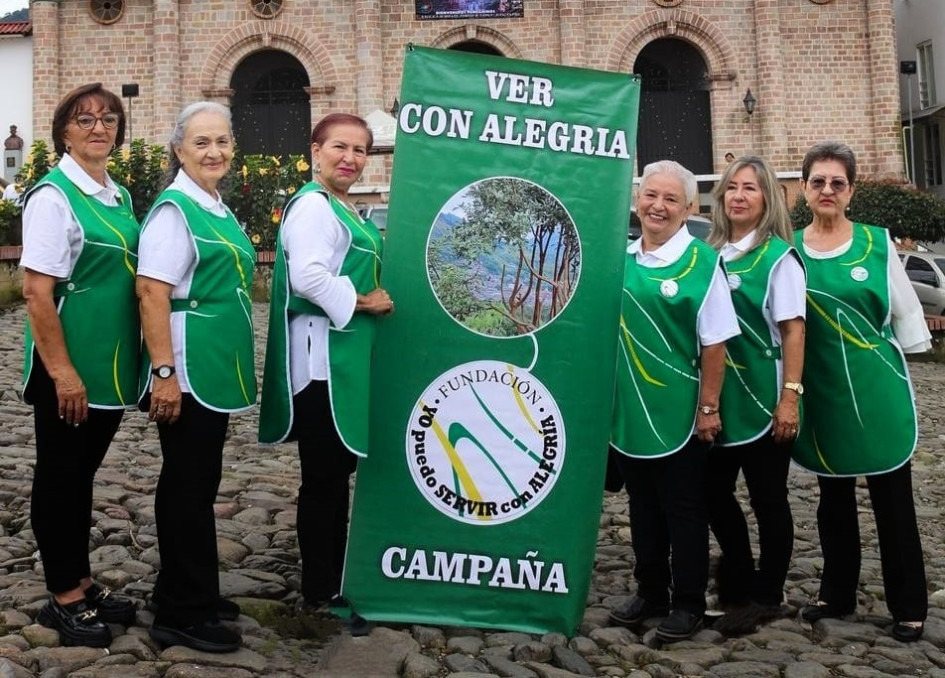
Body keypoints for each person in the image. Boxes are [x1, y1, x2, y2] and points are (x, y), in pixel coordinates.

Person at [794, 141, 929, 643]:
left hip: (875, 389)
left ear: (851, 190)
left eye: (837, 182)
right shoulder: (788, 247)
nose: (827, 190)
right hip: (821, 388)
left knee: (893, 500)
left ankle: (909, 604)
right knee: (833, 497)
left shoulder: (877, 242)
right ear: (805, 188)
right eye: (818, 181)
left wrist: (911, 347)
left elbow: (905, 309)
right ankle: (837, 592)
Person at [21, 83, 139, 648]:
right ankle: (63, 596)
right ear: (63, 130)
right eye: (84, 118)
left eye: (108, 118)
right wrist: (62, 372)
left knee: (81, 475)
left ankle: (83, 581)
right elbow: (37, 293)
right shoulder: (53, 196)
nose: (98, 127)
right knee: (61, 478)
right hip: (69, 368)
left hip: (108, 364)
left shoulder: (116, 195)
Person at [259, 113, 392, 613]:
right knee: (323, 480)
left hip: (344, 359)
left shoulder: (344, 209)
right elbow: (309, 279)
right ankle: (320, 589)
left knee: (335, 474)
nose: (350, 159)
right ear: (316, 150)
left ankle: (334, 574)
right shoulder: (313, 209)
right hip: (321, 364)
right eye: (340, 147)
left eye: (360, 151)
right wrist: (364, 302)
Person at [137, 102, 255, 653]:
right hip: (186, 368)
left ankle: (186, 587)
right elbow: (152, 292)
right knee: (186, 486)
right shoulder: (174, 211)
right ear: (179, 150)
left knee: (200, 480)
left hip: (214, 365)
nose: (215, 152)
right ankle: (182, 613)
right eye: (202, 143)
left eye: (222, 141)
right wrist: (164, 374)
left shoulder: (213, 205)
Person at [610, 160, 740, 642]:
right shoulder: (620, 258)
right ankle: (651, 592)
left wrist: (708, 408)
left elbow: (715, 343)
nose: (657, 206)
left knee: (683, 509)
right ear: (637, 200)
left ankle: (688, 602)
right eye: (650, 195)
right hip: (629, 410)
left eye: (670, 199)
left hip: (681, 413)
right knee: (642, 507)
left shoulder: (704, 265)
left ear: (688, 209)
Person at [704, 156, 806, 635]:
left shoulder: (778, 257)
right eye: (732, 187)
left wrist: (790, 396)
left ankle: (769, 592)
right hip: (716, 396)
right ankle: (739, 577)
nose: (739, 195)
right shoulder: (710, 254)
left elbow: (792, 331)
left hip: (762, 396)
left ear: (767, 198)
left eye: (750, 188)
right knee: (712, 494)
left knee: (769, 499)